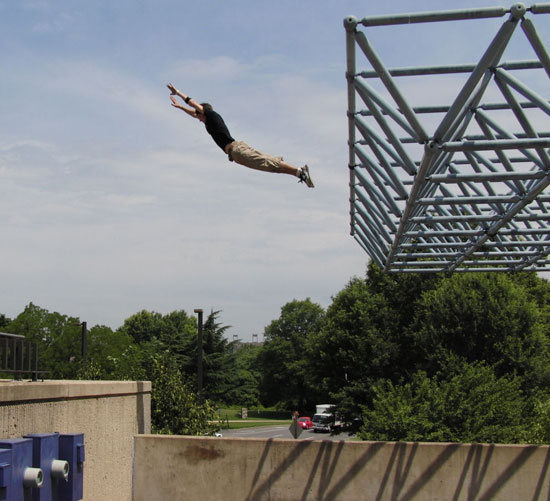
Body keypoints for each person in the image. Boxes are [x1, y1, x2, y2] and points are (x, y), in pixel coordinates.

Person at [167, 83, 314, 188]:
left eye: (199, 115)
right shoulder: (208, 121)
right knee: (267, 164)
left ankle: (299, 172)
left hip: (237, 150)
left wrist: (178, 93)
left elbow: (193, 105)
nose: (198, 118)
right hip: (236, 153)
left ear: (203, 112)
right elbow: (193, 113)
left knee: (267, 163)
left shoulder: (211, 115)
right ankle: (299, 173)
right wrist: (180, 107)